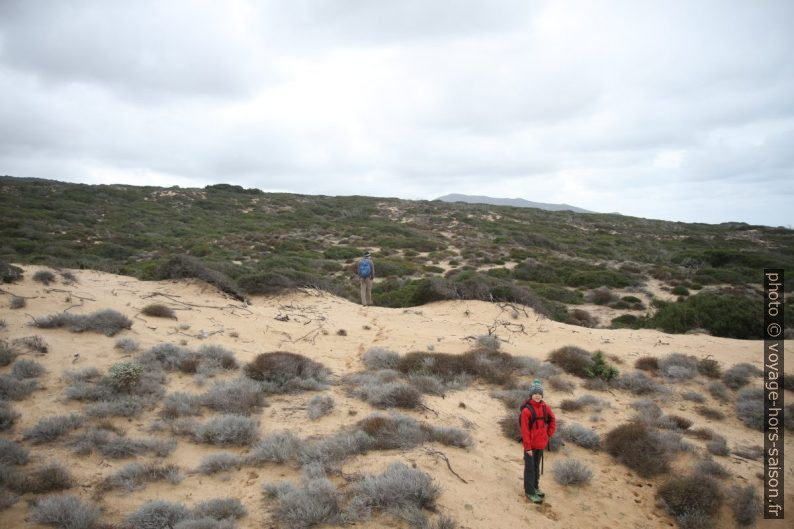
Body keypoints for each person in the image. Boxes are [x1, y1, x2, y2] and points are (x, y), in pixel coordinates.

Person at [520, 378, 556, 504]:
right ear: (531, 394)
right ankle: (529, 492)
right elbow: (525, 431)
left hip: (541, 444)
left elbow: (552, 420)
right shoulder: (526, 411)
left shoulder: (546, 407)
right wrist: (527, 447)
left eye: (539, 394)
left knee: (536, 467)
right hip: (530, 446)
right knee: (530, 468)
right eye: (535, 393)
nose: (537, 396)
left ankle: (535, 487)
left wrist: (547, 434)